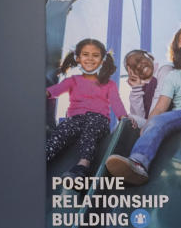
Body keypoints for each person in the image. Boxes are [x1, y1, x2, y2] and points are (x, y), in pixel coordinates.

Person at [107, 26, 181, 186]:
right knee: (159, 121)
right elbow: (161, 105)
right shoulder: (174, 75)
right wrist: (150, 122)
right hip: (180, 113)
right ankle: (138, 163)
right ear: (177, 50)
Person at [45, 38, 128, 180]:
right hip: (75, 119)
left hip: (98, 120)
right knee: (61, 132)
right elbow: (54, 90)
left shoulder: (109, 84)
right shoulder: (73, 80)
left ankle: (82, 166)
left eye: (95, 55)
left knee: (91, 129)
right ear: (78, 58)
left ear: (102, 60)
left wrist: (124, 118)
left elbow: (117, 103)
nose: (90, 58)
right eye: (85, 54)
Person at [122, 49, 174, 129]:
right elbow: (139, 118)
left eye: (139, 60)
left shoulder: (165, 69)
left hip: (169, 118)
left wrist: (146, 124)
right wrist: (136, 88)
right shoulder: (141, 88)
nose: (138, 66)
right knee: (128, 119)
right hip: (151, 124)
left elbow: (159, 102)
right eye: (134, 67)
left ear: (149, 56)